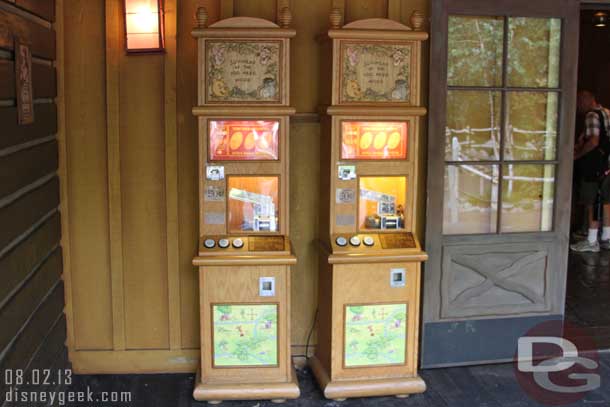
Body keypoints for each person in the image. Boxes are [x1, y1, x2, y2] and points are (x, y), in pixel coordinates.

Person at [571, 90, 610, 252]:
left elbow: (594, 141)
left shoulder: (591, 116)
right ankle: (607, 237)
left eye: (579, 102)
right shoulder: (608, 112)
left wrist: (578, 155)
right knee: (607, 200)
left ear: (587, 100)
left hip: (594, 166)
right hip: (608, 164)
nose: (578, 106)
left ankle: (592, 241)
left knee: (591, 201)